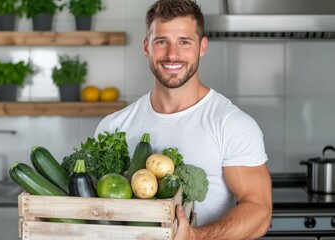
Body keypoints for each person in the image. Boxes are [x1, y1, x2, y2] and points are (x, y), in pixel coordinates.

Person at [94, 0, 272, 239]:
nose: (172, 54)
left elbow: (259, 212)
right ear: (147, 47)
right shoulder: (113, 126)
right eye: (161, 42)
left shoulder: (231, 124)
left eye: (185, 42)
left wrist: (195, 236)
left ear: (202, 47)